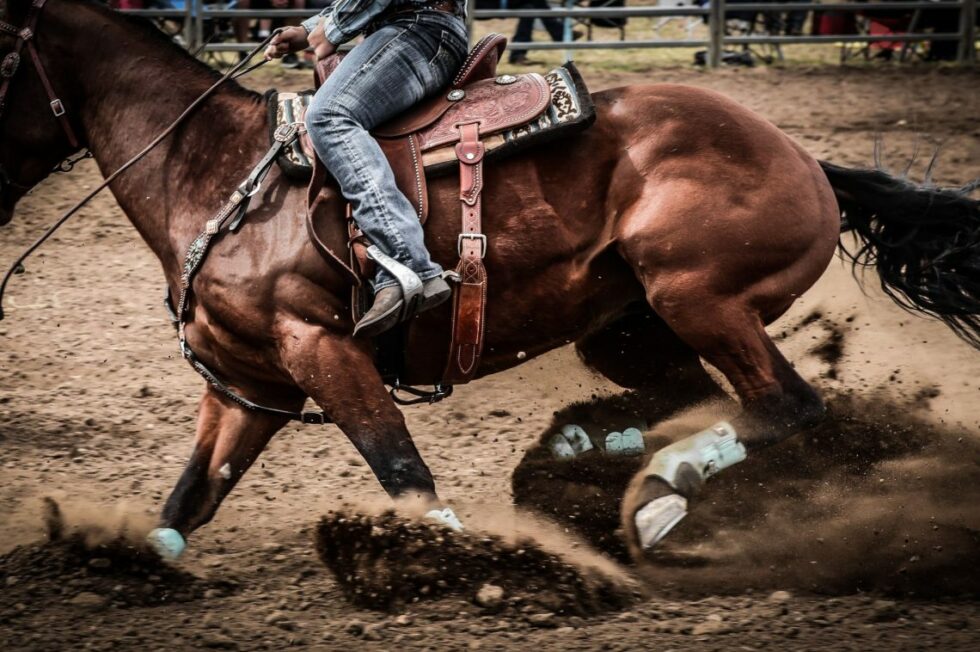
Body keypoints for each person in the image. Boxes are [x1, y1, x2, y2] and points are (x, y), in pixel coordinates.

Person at [265, 1, 468, 337]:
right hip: (420, 27)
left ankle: (406, 260)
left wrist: (333, 29)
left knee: (328, 116)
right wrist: (309, 28)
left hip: (418, 30)